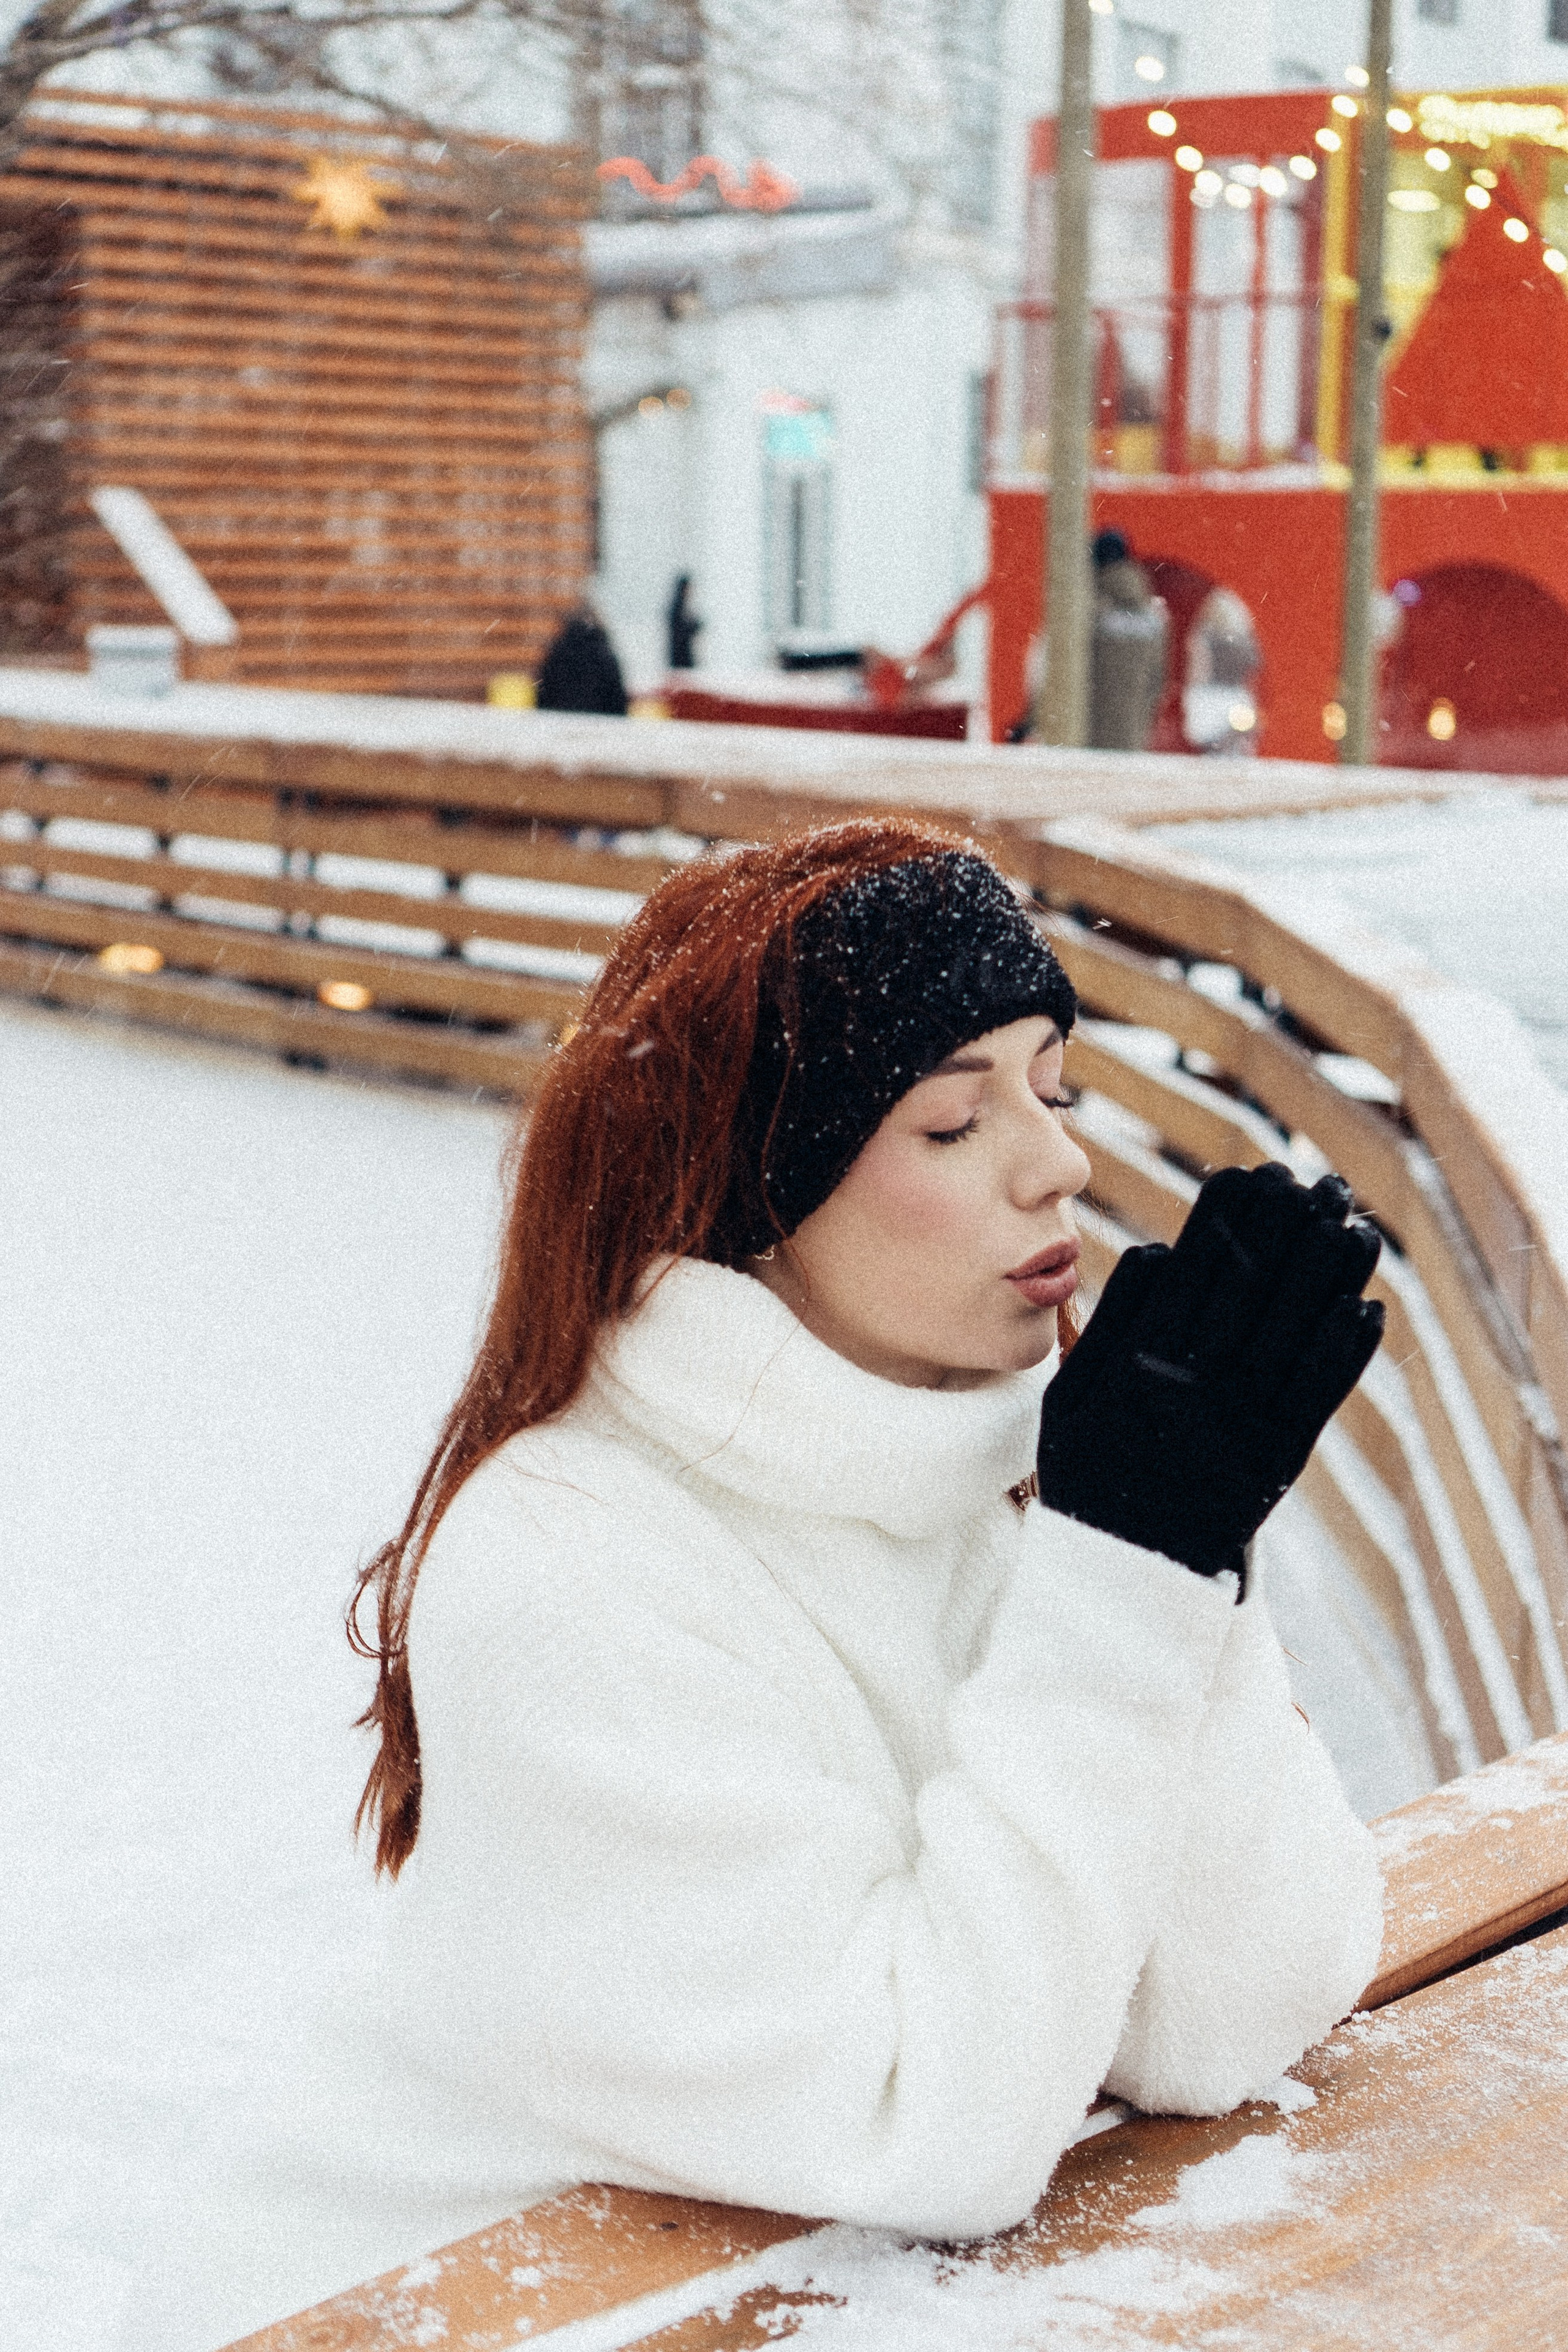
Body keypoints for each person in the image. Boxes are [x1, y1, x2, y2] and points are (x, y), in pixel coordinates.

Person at [135, 822, 1385, 2346]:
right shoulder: (569, 1562)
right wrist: (1124, 1580)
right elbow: (929, 2122)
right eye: (949, 1123)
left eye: (1051, 1089)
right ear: (756, 1200)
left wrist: (1183, 1543)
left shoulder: (1021, 1468)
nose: (1057, 1158)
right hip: (435, 2300)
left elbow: (1238, 2007)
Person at [1090, 527, 1168, 752]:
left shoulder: (1091, 610)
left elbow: (1064, 672)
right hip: (1133, 738)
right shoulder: (1154, 618)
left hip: (1089, 736)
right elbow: (1158, 681)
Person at [534, 603, 629, 715]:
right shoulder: (605, 655)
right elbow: (617, 699)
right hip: (599, 723)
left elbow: (543, 694)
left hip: (561, 722)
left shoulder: (557, 653)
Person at [666, 571, 703, 669]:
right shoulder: (677, 608)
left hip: (682, 654)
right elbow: (681, 630)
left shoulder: (682, 607)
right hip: (681, 655)